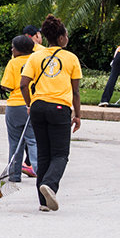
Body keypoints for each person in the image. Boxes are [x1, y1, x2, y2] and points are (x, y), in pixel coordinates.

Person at [20, 15, 82, 212]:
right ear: (62, 38)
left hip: (38, 107)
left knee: (44, 153)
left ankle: (43, 202)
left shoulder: (35, 56)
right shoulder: (71, 58)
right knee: (61, 154)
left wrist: (30, 104)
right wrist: (78, 115)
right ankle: (50, 185)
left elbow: (23, 84)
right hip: (59, 109)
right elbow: (76, 91)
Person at [0, 34, 38, 183]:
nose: (11, 49)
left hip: (14, 106)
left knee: (15, 141)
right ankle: (40, 170)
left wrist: (3, 87)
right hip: (32, 104)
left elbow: (8, 86)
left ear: (19, 49)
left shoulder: (13, 63)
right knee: (33, 140)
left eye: (13, 47)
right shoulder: (36, 60)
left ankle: (14, 175)